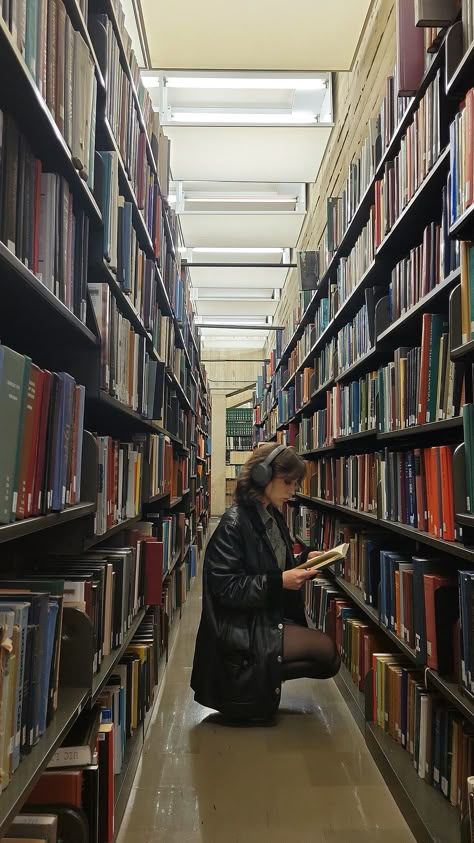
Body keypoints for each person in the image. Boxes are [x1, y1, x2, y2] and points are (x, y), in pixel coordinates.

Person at [191, 443, 341, 724]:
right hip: (240, 629)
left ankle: (258, 679)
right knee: (326, 653)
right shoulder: (233, 524)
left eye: (295, 483)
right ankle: (245, 684)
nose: (293, 490)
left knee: (330, 659)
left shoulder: (271, 514)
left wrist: (306, 559)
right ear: (262, 476)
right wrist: (279, 582)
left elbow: (272, 562)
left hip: (261, 615)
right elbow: (225, 588)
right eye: (288, 482)